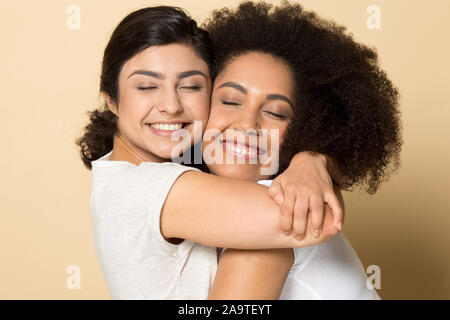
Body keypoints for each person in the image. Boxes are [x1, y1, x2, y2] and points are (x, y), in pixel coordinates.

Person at [76, 5, 346, 299]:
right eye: (146, 86)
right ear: (111, 100)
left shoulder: (115, 174)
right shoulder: (148, 187)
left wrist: (312, 160)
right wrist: (312, 162)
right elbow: (316, 214)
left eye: (191, 85)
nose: (171, 105)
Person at [203, 1, 401, 299]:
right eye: (230, 101)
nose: (247, 125)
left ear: (305, 129)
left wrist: (313, 158)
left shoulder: (282, 208)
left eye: (276, 113)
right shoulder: (197, 205)